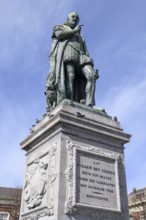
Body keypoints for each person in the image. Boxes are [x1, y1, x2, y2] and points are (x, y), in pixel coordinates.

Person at [45, 12, 98, 112]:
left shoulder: (80, 35)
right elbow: (59, 35)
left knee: (91, 76)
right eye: (73, 17)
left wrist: (88, 57)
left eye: (77, 18)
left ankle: (89, 103)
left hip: (82, 55)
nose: (75, 19)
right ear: (68, 18)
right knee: (71, 77)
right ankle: (70, 100)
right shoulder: (60, 27)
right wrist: (74, 31)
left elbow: (84, 48)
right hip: (69, 53)